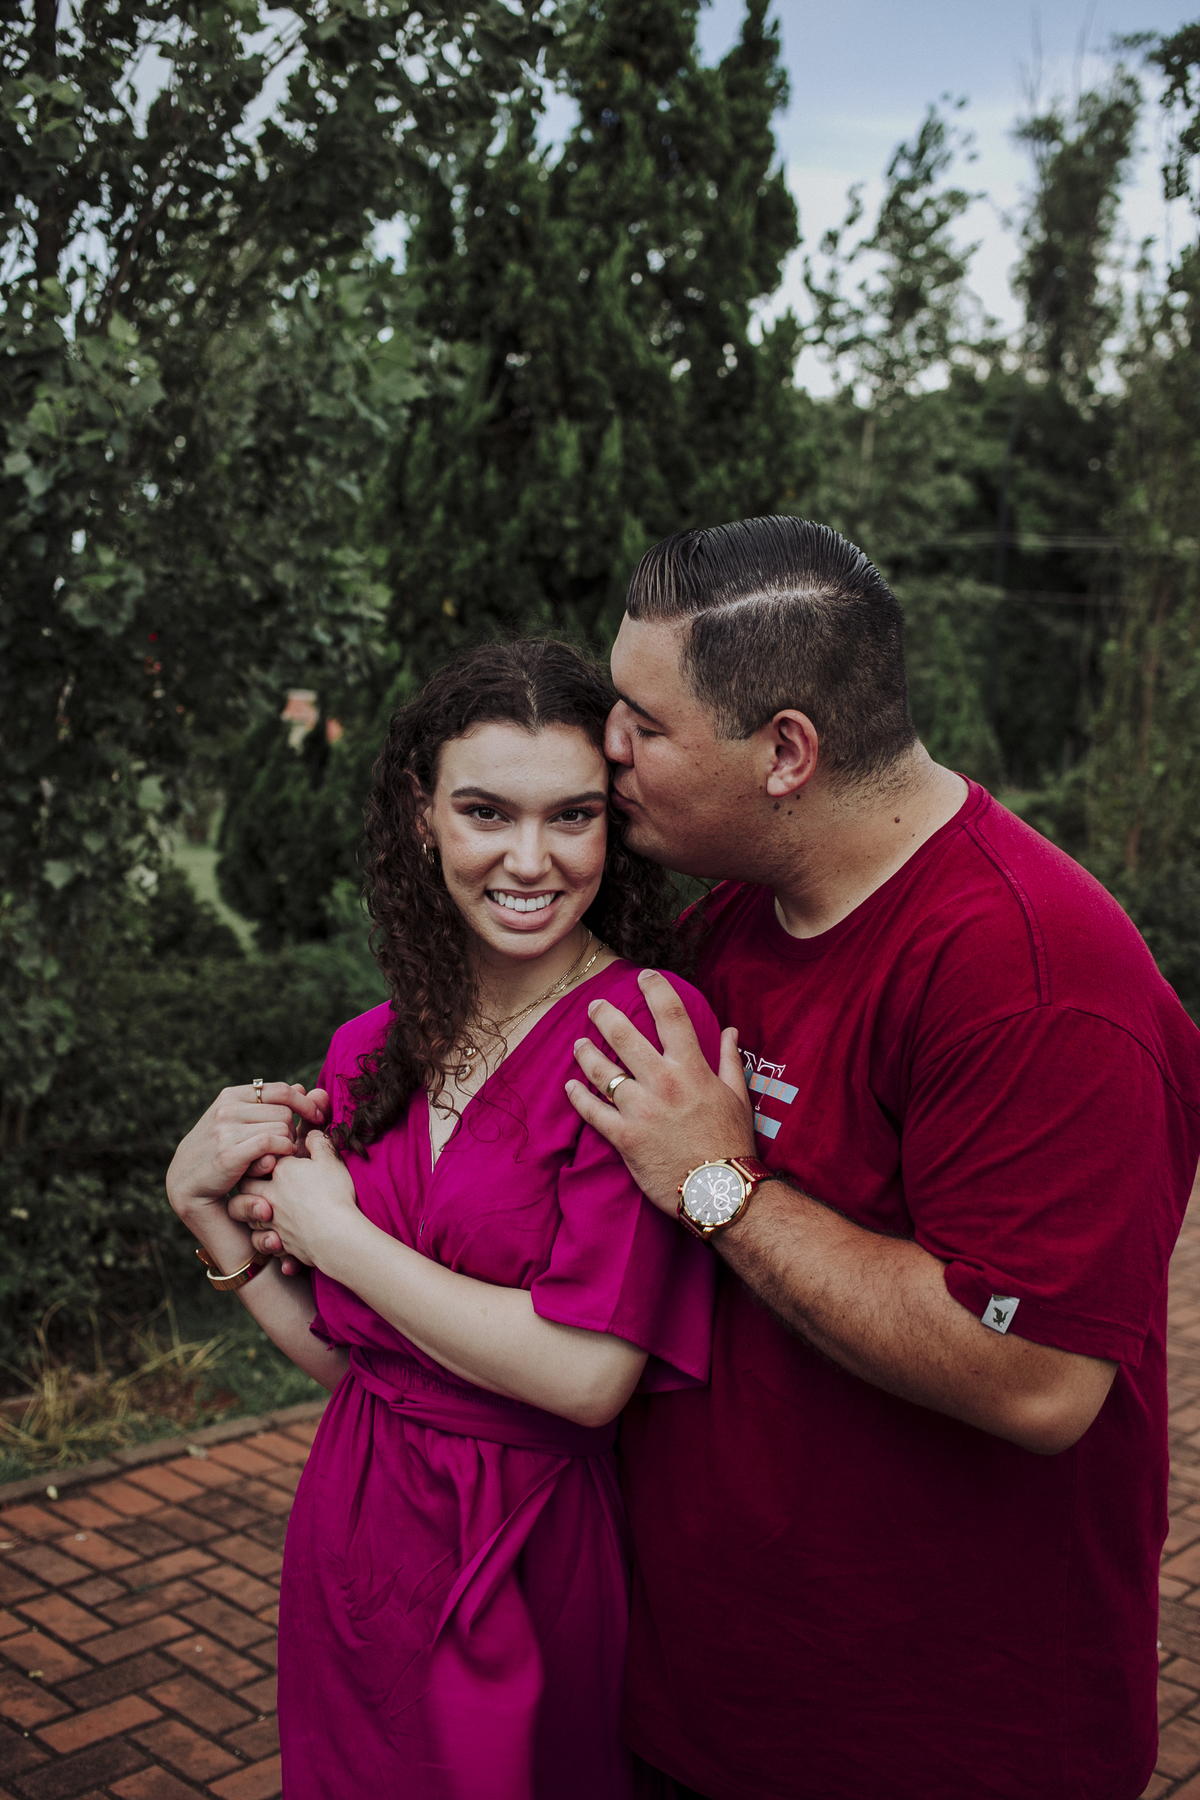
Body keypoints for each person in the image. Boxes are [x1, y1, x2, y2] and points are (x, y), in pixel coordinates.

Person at [564, 516, 1200, 1800]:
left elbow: (1036, 1380)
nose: (604, 747)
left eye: (644, 722)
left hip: (932, 1739)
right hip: (703, 1706)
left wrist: (719, 1187)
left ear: (785, 752)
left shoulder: (1035, 980)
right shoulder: (735, 912)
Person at [165, 640, 720, 1800]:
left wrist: (336, 1237)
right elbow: (355, 1360)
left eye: (572, 816)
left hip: (522, 1555)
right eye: (485, 812)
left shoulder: (642, 1032)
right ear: (423, 816)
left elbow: (586, 1378)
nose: (530, 859)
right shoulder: (372, 1047)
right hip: (352, 1538)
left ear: (612, 827)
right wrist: (207, 1216)